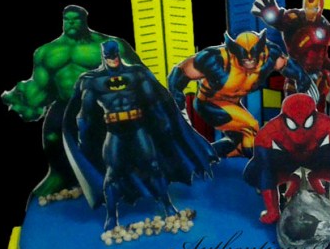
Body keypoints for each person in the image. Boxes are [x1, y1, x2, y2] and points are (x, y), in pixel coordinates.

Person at [64, 41, 217, 230]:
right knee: (112, 174)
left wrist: (165, 124)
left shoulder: (136, 73)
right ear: (104, 57)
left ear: (118, 54)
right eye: (109, 56)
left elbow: (154, 101)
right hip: (114, 131)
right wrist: (84, 137)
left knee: (153, 166)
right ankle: (111, 217)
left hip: (138, 128)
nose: (113, 59)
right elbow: (85, 114)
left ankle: (168, 207)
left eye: (115, 55)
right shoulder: (93, 80)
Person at [2, 5, 142, 196]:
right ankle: (60, 175)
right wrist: (25, 99)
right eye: (67, 20)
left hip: (104, 103)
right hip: (65, 102)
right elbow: (42, 87)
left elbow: (137, 74)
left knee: (111, 139)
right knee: (52, 136)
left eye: (76, 19)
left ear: (84, 20)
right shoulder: (47, 52)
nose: (71, 23)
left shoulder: (109, 44)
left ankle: (127, 176)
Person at [168, 29, 317, 158]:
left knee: (238, 143)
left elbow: (289, 66)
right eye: (244, 59)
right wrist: (178, 102)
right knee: (251, 127)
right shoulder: (218, 60)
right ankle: (256, 163)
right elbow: (179, 72)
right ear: (235, 53)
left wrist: (303, 81)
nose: (250, 61)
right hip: (209, 104)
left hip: (233, 104)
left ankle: (205, 156)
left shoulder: (269, 55)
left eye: (253, 58)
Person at [244, 93, 330, 223]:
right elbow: (262, 164)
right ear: (284, 118)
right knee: (258, 167)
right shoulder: (268, 132)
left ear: (314, 116)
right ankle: (275, 206)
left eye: (307, 123)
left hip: (316, 158)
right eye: (293, 124)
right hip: (287, 162)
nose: (300, 132)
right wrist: (272, 210)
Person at [251, 0, 330, 113]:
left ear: (321, 8)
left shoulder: (324, 25)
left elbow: (322, 59)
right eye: (307, 8)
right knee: (292, 111)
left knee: (317, 115)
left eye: (315, 9)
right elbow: (280, 20)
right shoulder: (295, 18)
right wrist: (272, 14)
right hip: (296, 74)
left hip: (318, 79)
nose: (310, 12)